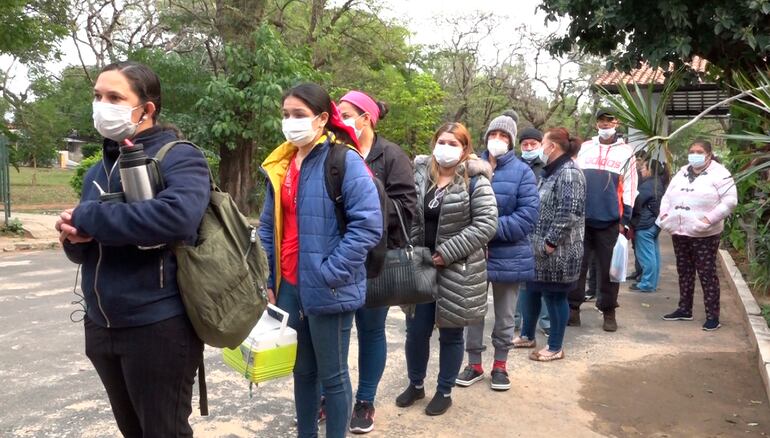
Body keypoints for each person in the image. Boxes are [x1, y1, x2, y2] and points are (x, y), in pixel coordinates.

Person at [56, 61, 211, 437]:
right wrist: (71, 235)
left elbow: (176, 218)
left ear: (146, 108)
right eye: (97, 96)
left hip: (157, 325)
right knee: (133, 430)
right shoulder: (97, 170)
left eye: (114, 97)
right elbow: (87, 247)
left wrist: (90, 218)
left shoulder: (179, 157)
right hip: (102, 324)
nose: (101, 105)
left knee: (164, 431)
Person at [258, 83, 383, 438]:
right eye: (285, 115)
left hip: (328, 287)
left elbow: (367, 224)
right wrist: (269, 277)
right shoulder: (281, 164)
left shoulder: (343, 160)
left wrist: (332, 272)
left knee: (333, 374)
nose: (290, 122)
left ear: (322, 118)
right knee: (303, 372)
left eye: (299, 115)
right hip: (289, 286)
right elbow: (268, 227)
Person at [396, 122, 497, 415]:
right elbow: (406, 214)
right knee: (415, 330)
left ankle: (444, 390)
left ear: (465, 149)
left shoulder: (476, 180)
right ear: (434, 143)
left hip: (458, 269)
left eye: (454, 143)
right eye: (443, 141)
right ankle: (416, 385)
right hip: (420, 266)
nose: (447, 148)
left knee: (451, 333)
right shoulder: (419, 175)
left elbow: (487, 224)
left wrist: (446, 253)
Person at [337, 91, 417, 434]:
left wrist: (367, 193)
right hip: (337, 258)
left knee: (370, 332)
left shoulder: (391, 155)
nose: (338, 119)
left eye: (344, 113)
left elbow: (407, 208)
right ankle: (333, 396)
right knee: (336, 334)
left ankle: (365, 401)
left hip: (374, 261)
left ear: (365, 117)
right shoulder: (335, 150)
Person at [455, 114, 539, 391]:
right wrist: (474, 233)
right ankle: (474, 363)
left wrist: (486, 228)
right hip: (473, 255)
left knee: (505, 315)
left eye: (504, 136)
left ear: (512, 141)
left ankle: (500, 365)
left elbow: (527, 216)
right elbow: (456, 208)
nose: (498, 140)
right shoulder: (467, 168)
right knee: (472, 312)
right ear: (487, 136)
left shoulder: (523, 173)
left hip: (510, 254)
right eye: (494, 134)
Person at [518, 128, 586, 361]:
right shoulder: (551, 172)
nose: (539, 148)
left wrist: (550, 242)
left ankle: (555, 346)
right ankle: (527, 335)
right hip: (538, 249)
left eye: (542, 143)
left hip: (559, 251)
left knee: (555, 297)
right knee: (530, 291)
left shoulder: (569, 173)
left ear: (552, 147)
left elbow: (568, 213)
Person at [568, 108, 638, 332]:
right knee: (577, 266)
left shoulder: (626, 152)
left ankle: (609, 311)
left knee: (610, 270)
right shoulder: (585, 148)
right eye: (601, 121)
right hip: (582, 219)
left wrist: (624, 220)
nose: (605, 125)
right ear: (596, 123)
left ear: (617, 123)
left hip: (610, 221)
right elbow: (575, 179)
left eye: (610, 121)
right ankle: (573, 309)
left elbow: (630, 187)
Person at [659, 140, 737, 331]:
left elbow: (730, 201)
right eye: (692, 151)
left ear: (709, 154)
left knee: (707, 273)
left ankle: (713, 316)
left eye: (699, 151)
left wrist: (707, 220)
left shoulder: (720, 173)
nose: (694, 154)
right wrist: (664, 216)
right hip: (680, 230)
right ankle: (684, 309)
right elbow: (667, 196)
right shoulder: (683, 171)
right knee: (684, 271)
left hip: (705, 234)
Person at [515, 126, 551, 335]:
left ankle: (545, 322)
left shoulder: (547, 166)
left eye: (533, 144)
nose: (528, 148)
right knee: (520, 281)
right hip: (520, 229)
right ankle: (516, 320)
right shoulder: (513, 166)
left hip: (543, 230)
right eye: (525, 144)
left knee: (543, 278)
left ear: (540, 145)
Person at [629, 159, 666, 292]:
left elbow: (636, 202)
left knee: (646, 256)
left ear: (650, 170)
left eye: (644, 168)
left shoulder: (647, 186)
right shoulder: (657, 183)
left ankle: (647, 284)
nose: (641, 170)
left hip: (645, 223)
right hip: (653, 223)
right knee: (653, 255)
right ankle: (651, 282)